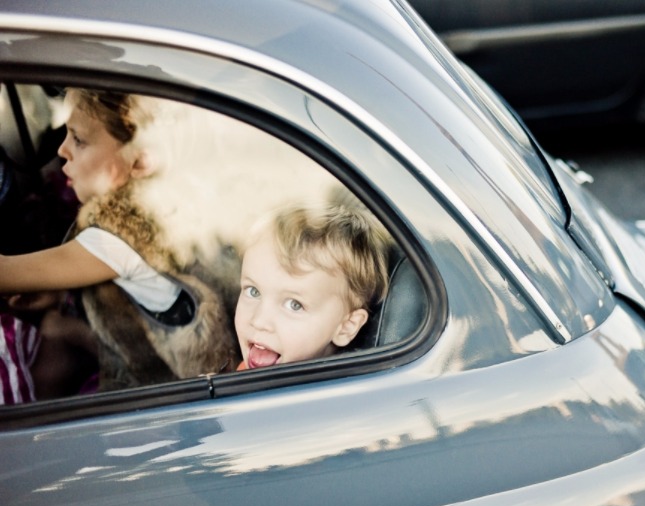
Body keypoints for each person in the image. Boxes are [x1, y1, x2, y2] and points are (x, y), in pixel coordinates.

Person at [0, 88, 236, 392]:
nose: (62, 150)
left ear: (140, 161)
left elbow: (5, 274)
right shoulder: (164, 210)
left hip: (156, 393)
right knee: (51, 327)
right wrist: (59, 296)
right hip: (152, 364)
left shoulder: (117, 237)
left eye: (79, 140)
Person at [234, 189, 391, 370]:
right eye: (253, 291)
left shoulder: (317, 396)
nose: (259, 321)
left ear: (346, 326)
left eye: (294, 304)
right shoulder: (247, 370)